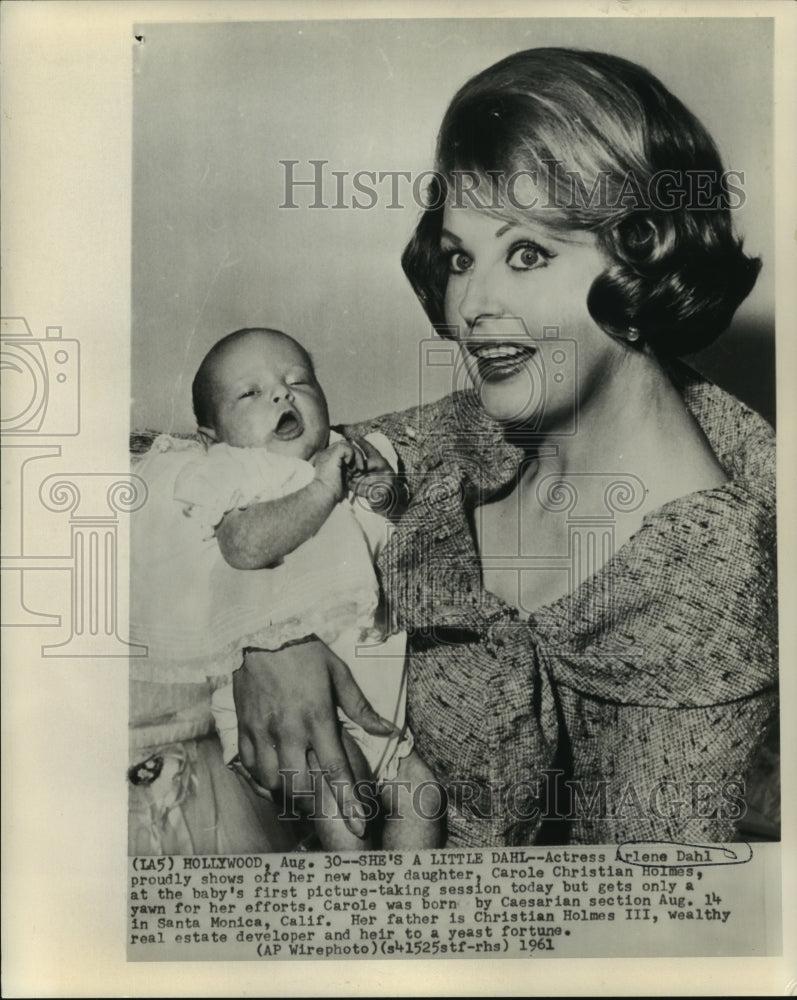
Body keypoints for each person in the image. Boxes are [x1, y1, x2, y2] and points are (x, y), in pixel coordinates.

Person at [231, 48, 778, 847]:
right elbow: (246, 474)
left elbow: (643, 926)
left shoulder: (705, 576)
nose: (470, 305)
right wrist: (271, 636)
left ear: (642, 260)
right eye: (461, 257)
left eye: (527, 253)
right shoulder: (488, 425)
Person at [128, 328, 441, 854]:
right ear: (211, 437)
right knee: (347, 801)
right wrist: (321, 488)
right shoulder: (234, 471)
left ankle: (408, 921)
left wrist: (383, 489)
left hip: (379, 702)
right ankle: (355, 912)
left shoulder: (348, 456)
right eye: (250, 393)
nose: (281, 394)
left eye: (299, 381)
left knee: (423, 794)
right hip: (293, 716)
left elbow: (401, 534)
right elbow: (244, 546)